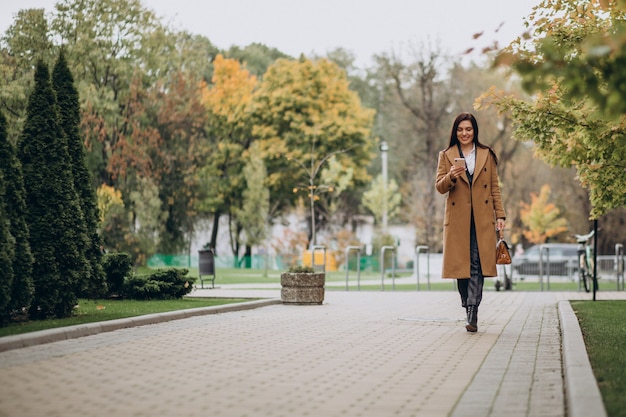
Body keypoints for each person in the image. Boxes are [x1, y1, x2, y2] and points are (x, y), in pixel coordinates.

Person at [435, 112, 506, 332]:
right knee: (461, 268)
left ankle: (473, 311)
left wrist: (500, 215)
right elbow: (440, 186)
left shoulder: (486, 154)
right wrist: (452, 176)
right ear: (455, 132)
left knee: (477, 264)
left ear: (474, 130)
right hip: (458, 220)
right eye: (460, 129)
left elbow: (494, 187)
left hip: (482, 218)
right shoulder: (446, 155)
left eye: (468, 129)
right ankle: (467, 303)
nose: (464, 133)